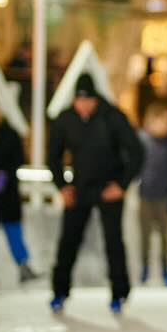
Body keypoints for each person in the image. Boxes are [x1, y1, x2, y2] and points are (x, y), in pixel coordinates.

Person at [47, 71, 144, 314]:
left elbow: (136, 152)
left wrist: (121, 185)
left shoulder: (112, 117)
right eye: (79, 102)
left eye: (88, 101)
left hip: (109, 186)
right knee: (69, 239)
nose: (84, 107)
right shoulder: (66, 120)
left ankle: (119, 292)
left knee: (113, 241)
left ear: (95, 100)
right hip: (80, 187)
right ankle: (59, 290)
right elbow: (53, 156)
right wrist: (62, 186)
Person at [137, 104, 167, 287]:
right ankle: (144, 269)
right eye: (164, 122)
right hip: (145, 195)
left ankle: (165, 269)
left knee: (165, 236)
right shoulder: (142, 140)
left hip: (165, 196)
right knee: (145, 235)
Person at [0, 112, 38, 283]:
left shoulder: (9, 134)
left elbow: (17, 159)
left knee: (13, 231)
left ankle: (22, 264)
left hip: (7, 193)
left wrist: (3, 176)